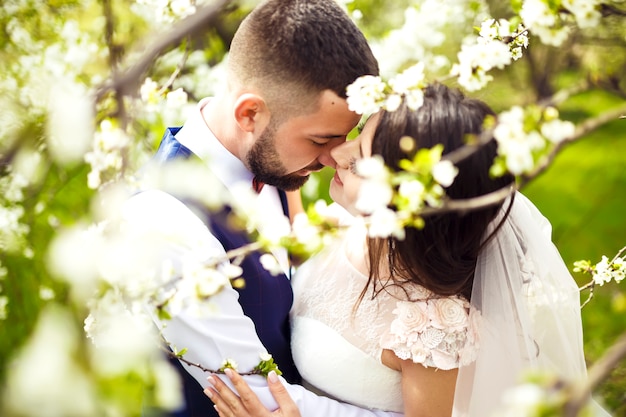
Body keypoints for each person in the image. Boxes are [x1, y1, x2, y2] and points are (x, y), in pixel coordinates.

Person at [203, 83, 599, 417]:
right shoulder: (340, 228)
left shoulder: (435, 324)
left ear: (410, 203)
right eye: (355, 135)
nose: (335, 155)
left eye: (359, 163)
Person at [122, 0, 385, 416]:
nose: (335, 157)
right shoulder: (164, 223)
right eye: (319, 140)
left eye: (343, 136)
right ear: (249, 114)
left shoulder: (274, 164)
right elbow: (260, 397)